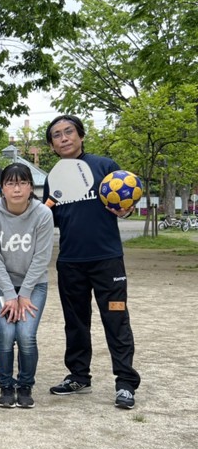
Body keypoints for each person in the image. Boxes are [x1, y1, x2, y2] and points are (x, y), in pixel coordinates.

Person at [44, 115, 140, 409]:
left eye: (69, 131)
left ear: (81, 135)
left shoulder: (105, 167)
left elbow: (126, 202)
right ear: (52, 145)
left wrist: (127, 210)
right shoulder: (54, 177)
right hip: (71, 262)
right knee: (75, 322)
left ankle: (125, 383)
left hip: (107, 261)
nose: (64, 138)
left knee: (116, 319)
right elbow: (49, 217)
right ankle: (78, 376)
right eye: (57, 135)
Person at [0, 164, 54, 409]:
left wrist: (23, 294)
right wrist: (10, 294)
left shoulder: (42, 214)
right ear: (2, 188)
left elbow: (42, 258)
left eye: (23, 183)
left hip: (34, 285)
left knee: (25, 335)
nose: (17, 189)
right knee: (5, 335)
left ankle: (25, 385)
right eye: (11, 183)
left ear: (31, 187)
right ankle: (5, 385)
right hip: (0, 284)